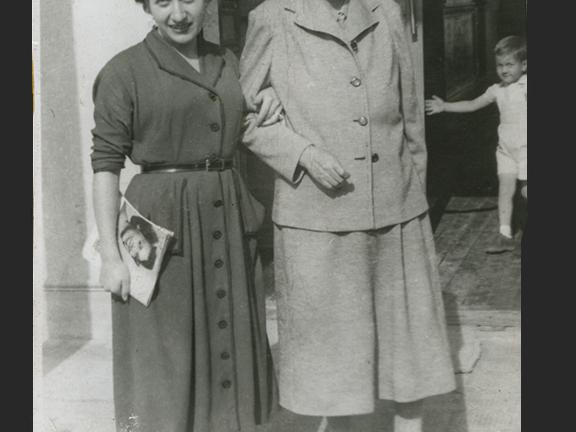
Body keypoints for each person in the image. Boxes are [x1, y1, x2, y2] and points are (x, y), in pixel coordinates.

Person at [239, 1, 456, 431]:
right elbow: (245, 117)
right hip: (319, 220)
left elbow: (410, 114)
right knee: (337, 378)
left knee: (408, 363)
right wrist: (302, 154)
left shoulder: (386, 11)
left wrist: (412, 198)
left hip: (397, 212)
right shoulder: (274, 17)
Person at [91, 1, 281, 430]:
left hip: (226, 218)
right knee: (166, 360)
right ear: (146, 6)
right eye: (162, 1)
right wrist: (110, 257)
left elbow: (248, 113)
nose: (178, 13)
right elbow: (105, 165)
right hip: (163, 227)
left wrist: (268, 95)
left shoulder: (228, 60)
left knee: (230, 342)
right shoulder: (124, 71)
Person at [426, 35, 527, 254]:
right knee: (505, 190)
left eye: (510, 64)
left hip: (528, 149)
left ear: (524, 65)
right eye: (500, 65)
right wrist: (445, 106)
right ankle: (504, 235)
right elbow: (472, 104)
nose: (504, 70)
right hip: (506, 150)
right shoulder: (496, 90)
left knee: (528, 192)